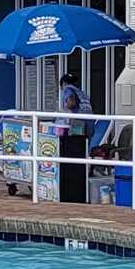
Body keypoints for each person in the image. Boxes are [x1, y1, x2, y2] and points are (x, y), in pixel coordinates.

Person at [55, 67, 88, 205]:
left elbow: (71, 102)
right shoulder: (81, 92)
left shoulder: (68, 90)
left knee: (73, 151)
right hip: (88, 123)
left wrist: (66, 111)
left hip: (78, 124)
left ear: (63, 83)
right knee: (83, 151)